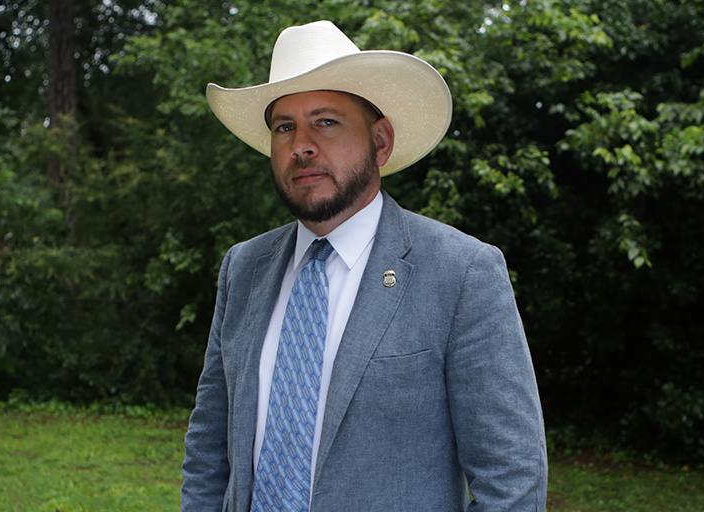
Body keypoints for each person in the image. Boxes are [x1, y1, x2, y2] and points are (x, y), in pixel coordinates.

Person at [181, 20, 547, 512]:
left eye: (326, 122)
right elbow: (209, 450)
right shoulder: (243, 268)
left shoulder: (461, 273)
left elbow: (513, 480)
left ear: (381, 141)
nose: (301, 144)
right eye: (284, 127)